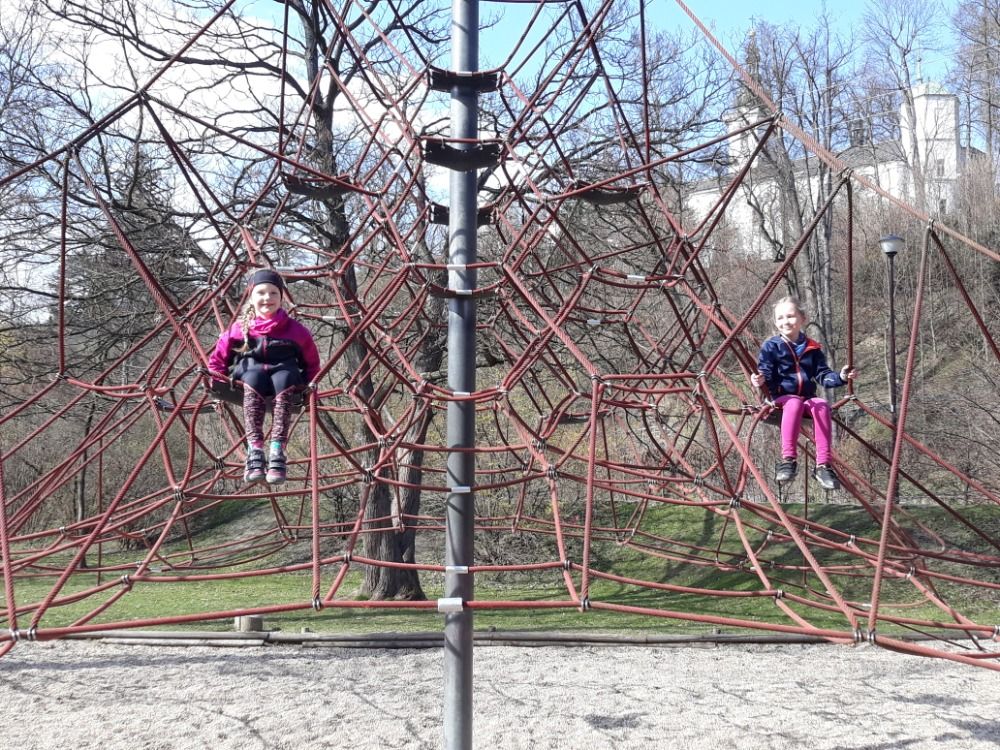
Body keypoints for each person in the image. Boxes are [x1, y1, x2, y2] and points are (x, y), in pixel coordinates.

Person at [209, 269, 320, 485]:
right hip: (250, 378)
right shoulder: (239, 330)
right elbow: (218, 359)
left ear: (281, 297)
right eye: (261, 293)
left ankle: (277, 450)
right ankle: (255, 450)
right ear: (251, 297)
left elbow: (312, 364)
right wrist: (218, 382)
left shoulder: (296, 331)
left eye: (273, 293)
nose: (267, 298)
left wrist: (311, 389)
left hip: (284, 379)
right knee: (254, 376)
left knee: (285, 377)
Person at [750, 296, 855, 490]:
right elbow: (764, 373)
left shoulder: (812, 348)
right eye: (780, 318)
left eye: (790, 316)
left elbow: (823, 376)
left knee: (821, 405)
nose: (785, 321)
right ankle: (788, 460)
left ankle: (823, 465)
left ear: (802, 319)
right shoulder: (772, 346)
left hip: (805, 399)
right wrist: (758, 380)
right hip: (780, 399)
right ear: (775, 322)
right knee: (794, 402)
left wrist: (841, 377)